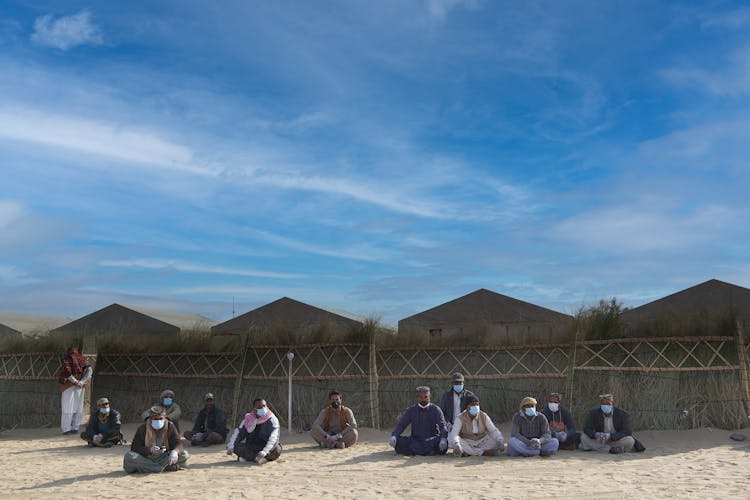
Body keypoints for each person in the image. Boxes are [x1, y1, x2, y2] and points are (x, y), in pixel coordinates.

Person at [123, 405, 189, 473]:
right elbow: (134, 447)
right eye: (155, 419)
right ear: (150, 419)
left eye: (160, 419)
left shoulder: (170, 426)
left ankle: (149, 468)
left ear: (165, 418)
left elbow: (179, 443)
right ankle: (162, 468)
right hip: (146, 458)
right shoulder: (142, 428)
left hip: (164, 457)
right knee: (129, 456)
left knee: (184, 454)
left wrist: (175, 451)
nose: (158, 421)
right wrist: (150, 450)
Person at [389, 386, 448, 456]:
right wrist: (394, 436)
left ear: (429, 397)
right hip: (416, 440)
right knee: (399, 441)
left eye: (426, 397)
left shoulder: (436, 410)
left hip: (431, 440)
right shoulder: (411, 410)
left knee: (442, 443)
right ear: (417, 398)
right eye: (421, 397)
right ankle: (427, 451)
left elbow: (442, 426)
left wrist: (443, 438)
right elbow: (402, 425)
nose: (423, 399)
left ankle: (415, 451)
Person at [227, 398, 282, 464]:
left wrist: (265, 451)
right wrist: (231, 447)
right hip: (252, 447)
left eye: (264, 406)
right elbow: (238, 433)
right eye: (259, 407)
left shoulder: (272, 420)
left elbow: (274, 438)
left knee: (277, 449)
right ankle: (258, 459)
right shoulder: (248, 419)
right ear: (254, 409)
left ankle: (252, 458)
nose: (262, 409)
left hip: (267, 447)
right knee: (236, 446)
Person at [59, 346, 92, 435]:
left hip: (68, 386)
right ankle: (75, 427)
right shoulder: (82, 359)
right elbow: (89, 370)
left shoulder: (66, 359)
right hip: (79, 386)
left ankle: (66, 429)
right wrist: (81, 382)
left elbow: (67, 372)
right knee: (78, 407)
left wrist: (76, 382)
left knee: (67, 407)